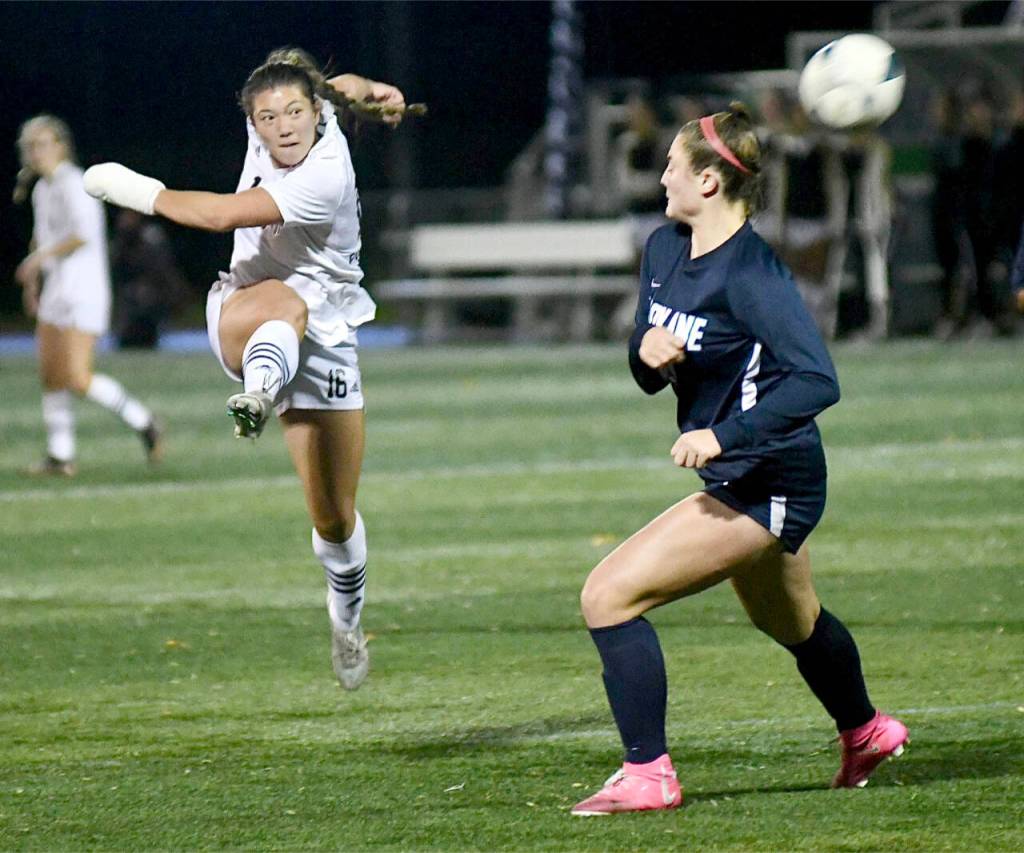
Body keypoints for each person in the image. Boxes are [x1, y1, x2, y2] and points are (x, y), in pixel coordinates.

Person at [571, 103, 908, 816]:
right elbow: (646, 360)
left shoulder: (753, 274)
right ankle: (868, 730)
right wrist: (646, 355)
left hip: (769, 476)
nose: (661, 175)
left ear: (710, 182)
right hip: (740, 472)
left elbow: (819, 379)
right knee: (791, 621)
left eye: (672, 165)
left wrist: (722, 437)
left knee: (607, 595)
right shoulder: (666, 248)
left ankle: (648, 772)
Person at [82, 48, 410, 691]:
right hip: (245, 308)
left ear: (317, 116)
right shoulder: (306, 113)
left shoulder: (325, 173)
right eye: (268, 117)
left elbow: (218, 215)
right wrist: (375, 86)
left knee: (334, 519)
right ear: (253, 124)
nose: (284, 126)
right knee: (280, 305)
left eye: (295, 112)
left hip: (329, 337)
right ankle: (258, 394)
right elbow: (343, 84)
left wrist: (129, 186)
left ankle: (346, 618)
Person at [13, 114, 163, 477]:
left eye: (45, 143)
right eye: (32, 146)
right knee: (51, 374)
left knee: (78, 377)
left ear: (62, 146)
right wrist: (34, 283)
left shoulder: (75, 182)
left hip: (83, 290)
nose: (38, 152)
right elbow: (42, 238)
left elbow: (80, 234)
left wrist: (37, 262)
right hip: (56, 292)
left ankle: (144, 421)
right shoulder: (42, 189)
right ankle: (60, 456)